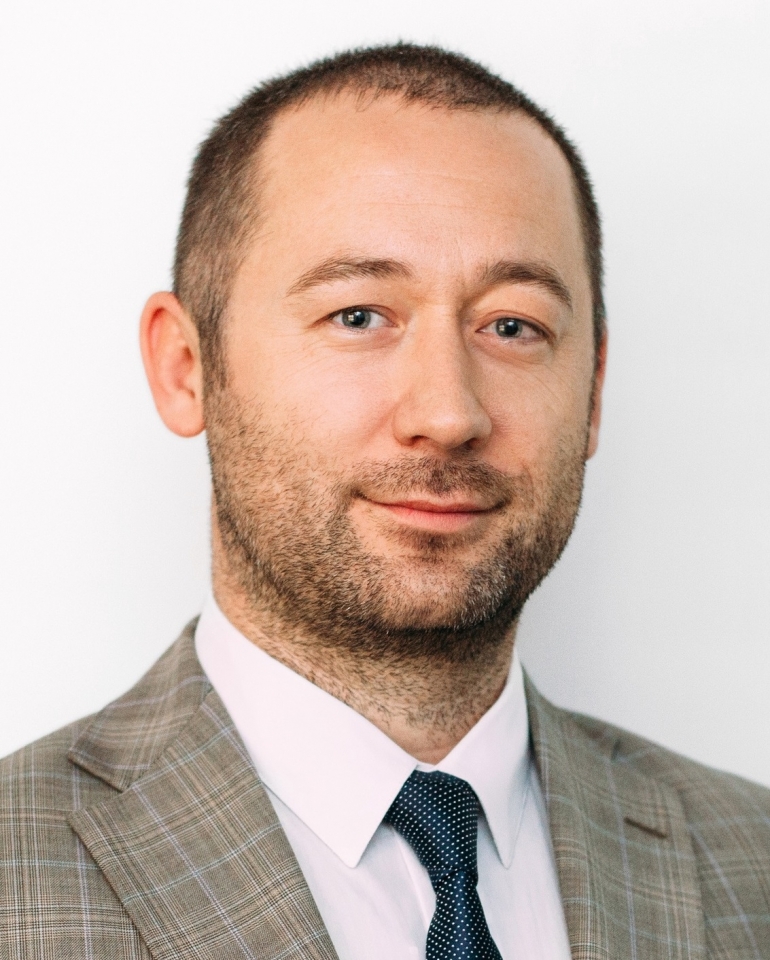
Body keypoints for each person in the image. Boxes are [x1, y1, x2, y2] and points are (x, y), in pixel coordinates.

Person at [1, 43, 768, 960]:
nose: (448, 415)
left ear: (594, 392)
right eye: (358, 315)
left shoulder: (752, 858)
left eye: (513, 325)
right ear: (185, 367)